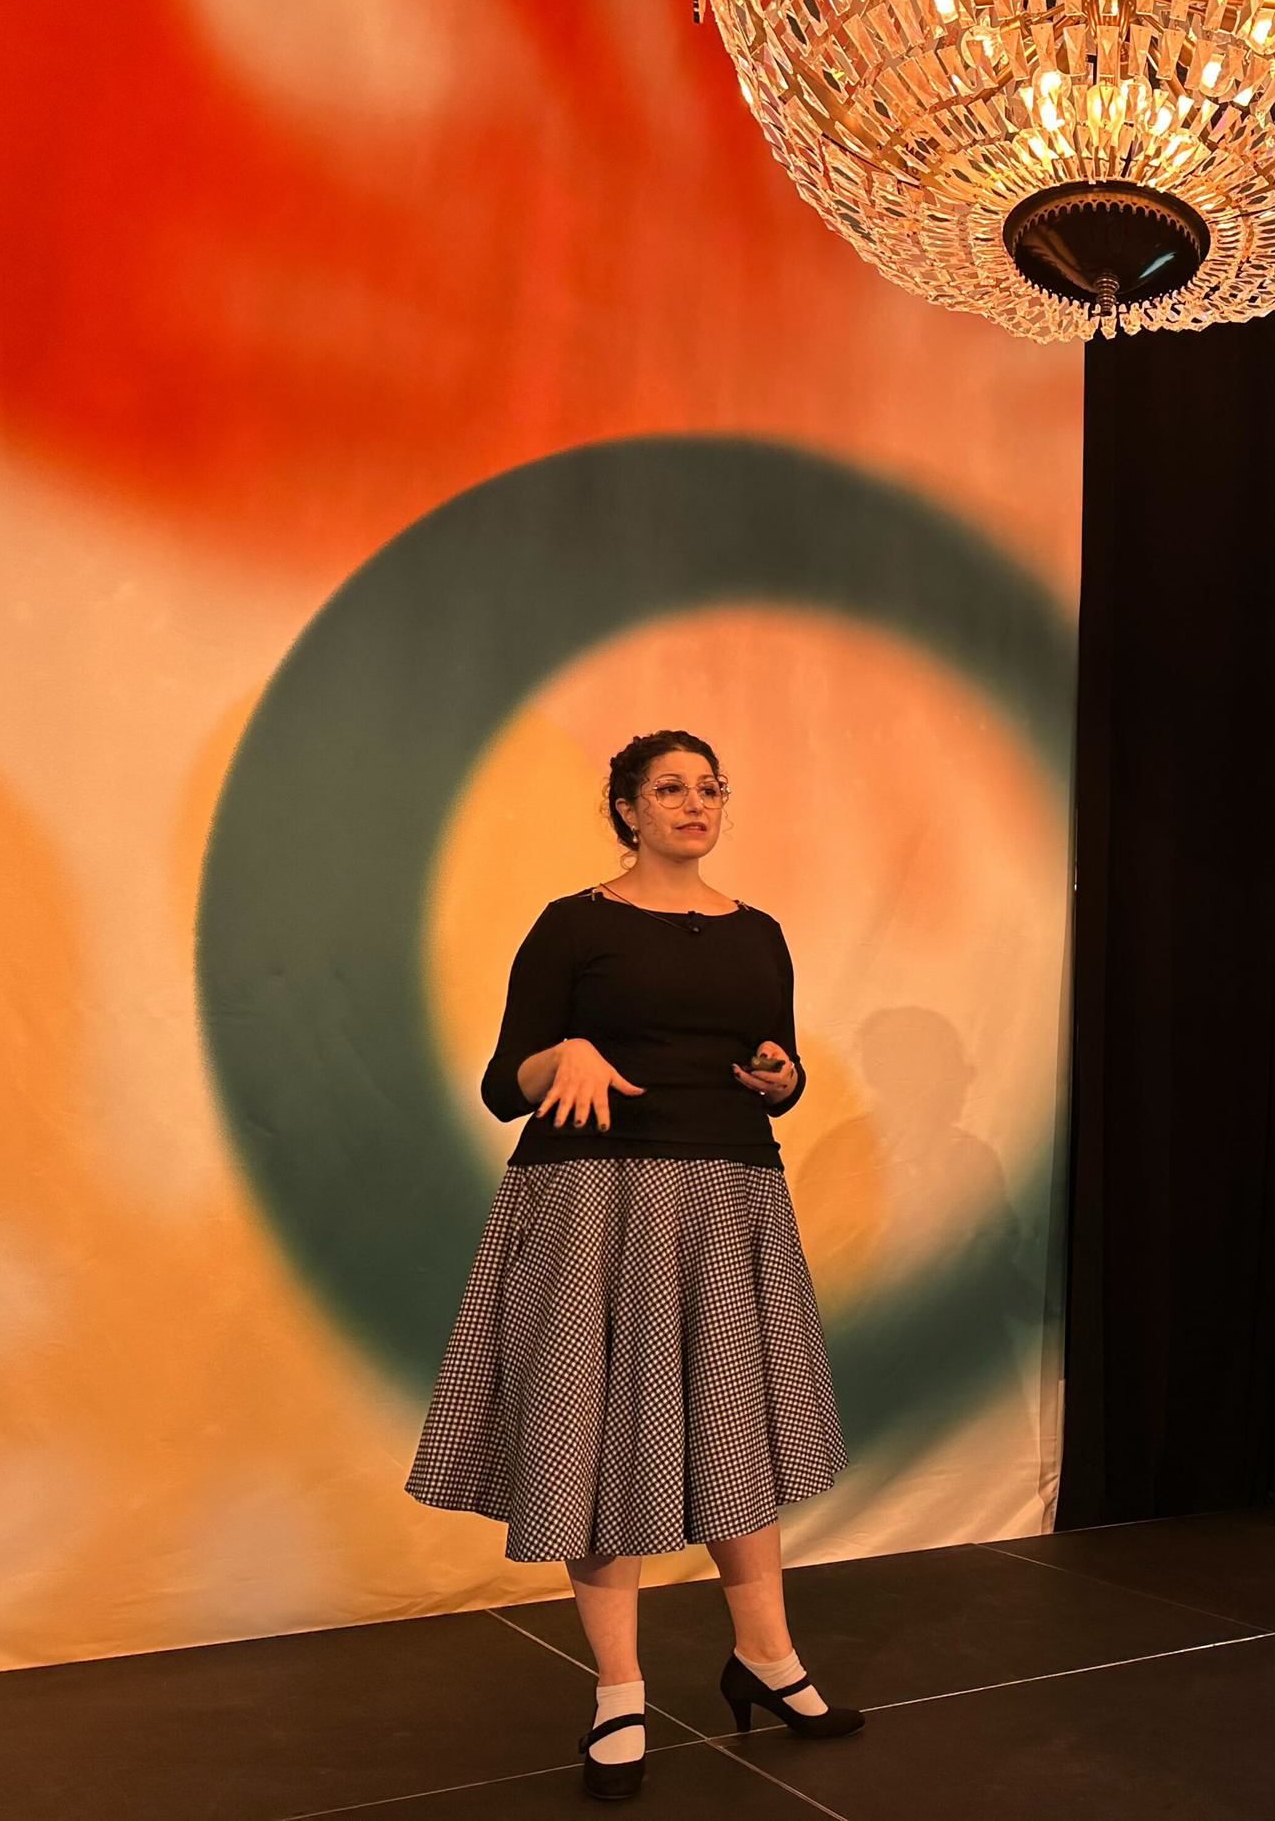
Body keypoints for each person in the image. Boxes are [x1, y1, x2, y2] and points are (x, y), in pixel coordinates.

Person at [407, 729, 860, 1801]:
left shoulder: (760, 932)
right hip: (594, 1194)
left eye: (710, 788)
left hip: (731, 1192)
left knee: (736, 1428)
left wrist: (782, 1077)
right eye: (670, 788)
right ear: (627, 809)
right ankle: (619, 1691)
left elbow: (777, 1063)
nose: (695, 804)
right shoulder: (574, 925)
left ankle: (766, 1659)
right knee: (599, 1442)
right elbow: (503, 1083)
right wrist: (561, 1054)